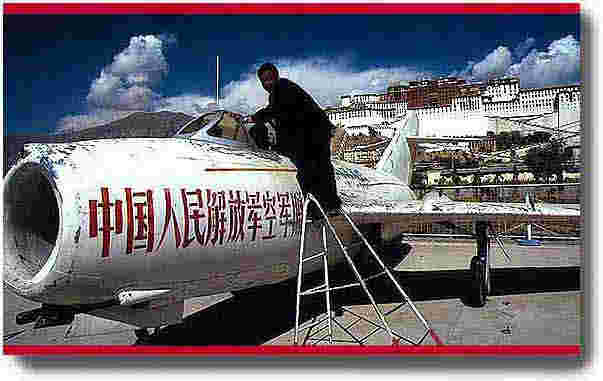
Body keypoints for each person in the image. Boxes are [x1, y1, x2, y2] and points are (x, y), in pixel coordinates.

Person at [253, 62, 342, 217]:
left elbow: (276, 111)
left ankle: (319, 208)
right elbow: (281, 115)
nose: (267, 84)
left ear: (276, 76)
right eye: (263, 81)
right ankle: (329, 205)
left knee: (311, 168)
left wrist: (255, 117)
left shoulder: (282, 88)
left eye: (269, 79)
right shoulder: (282, 90)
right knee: (320, 168)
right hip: (311, 132)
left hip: (314, 133)